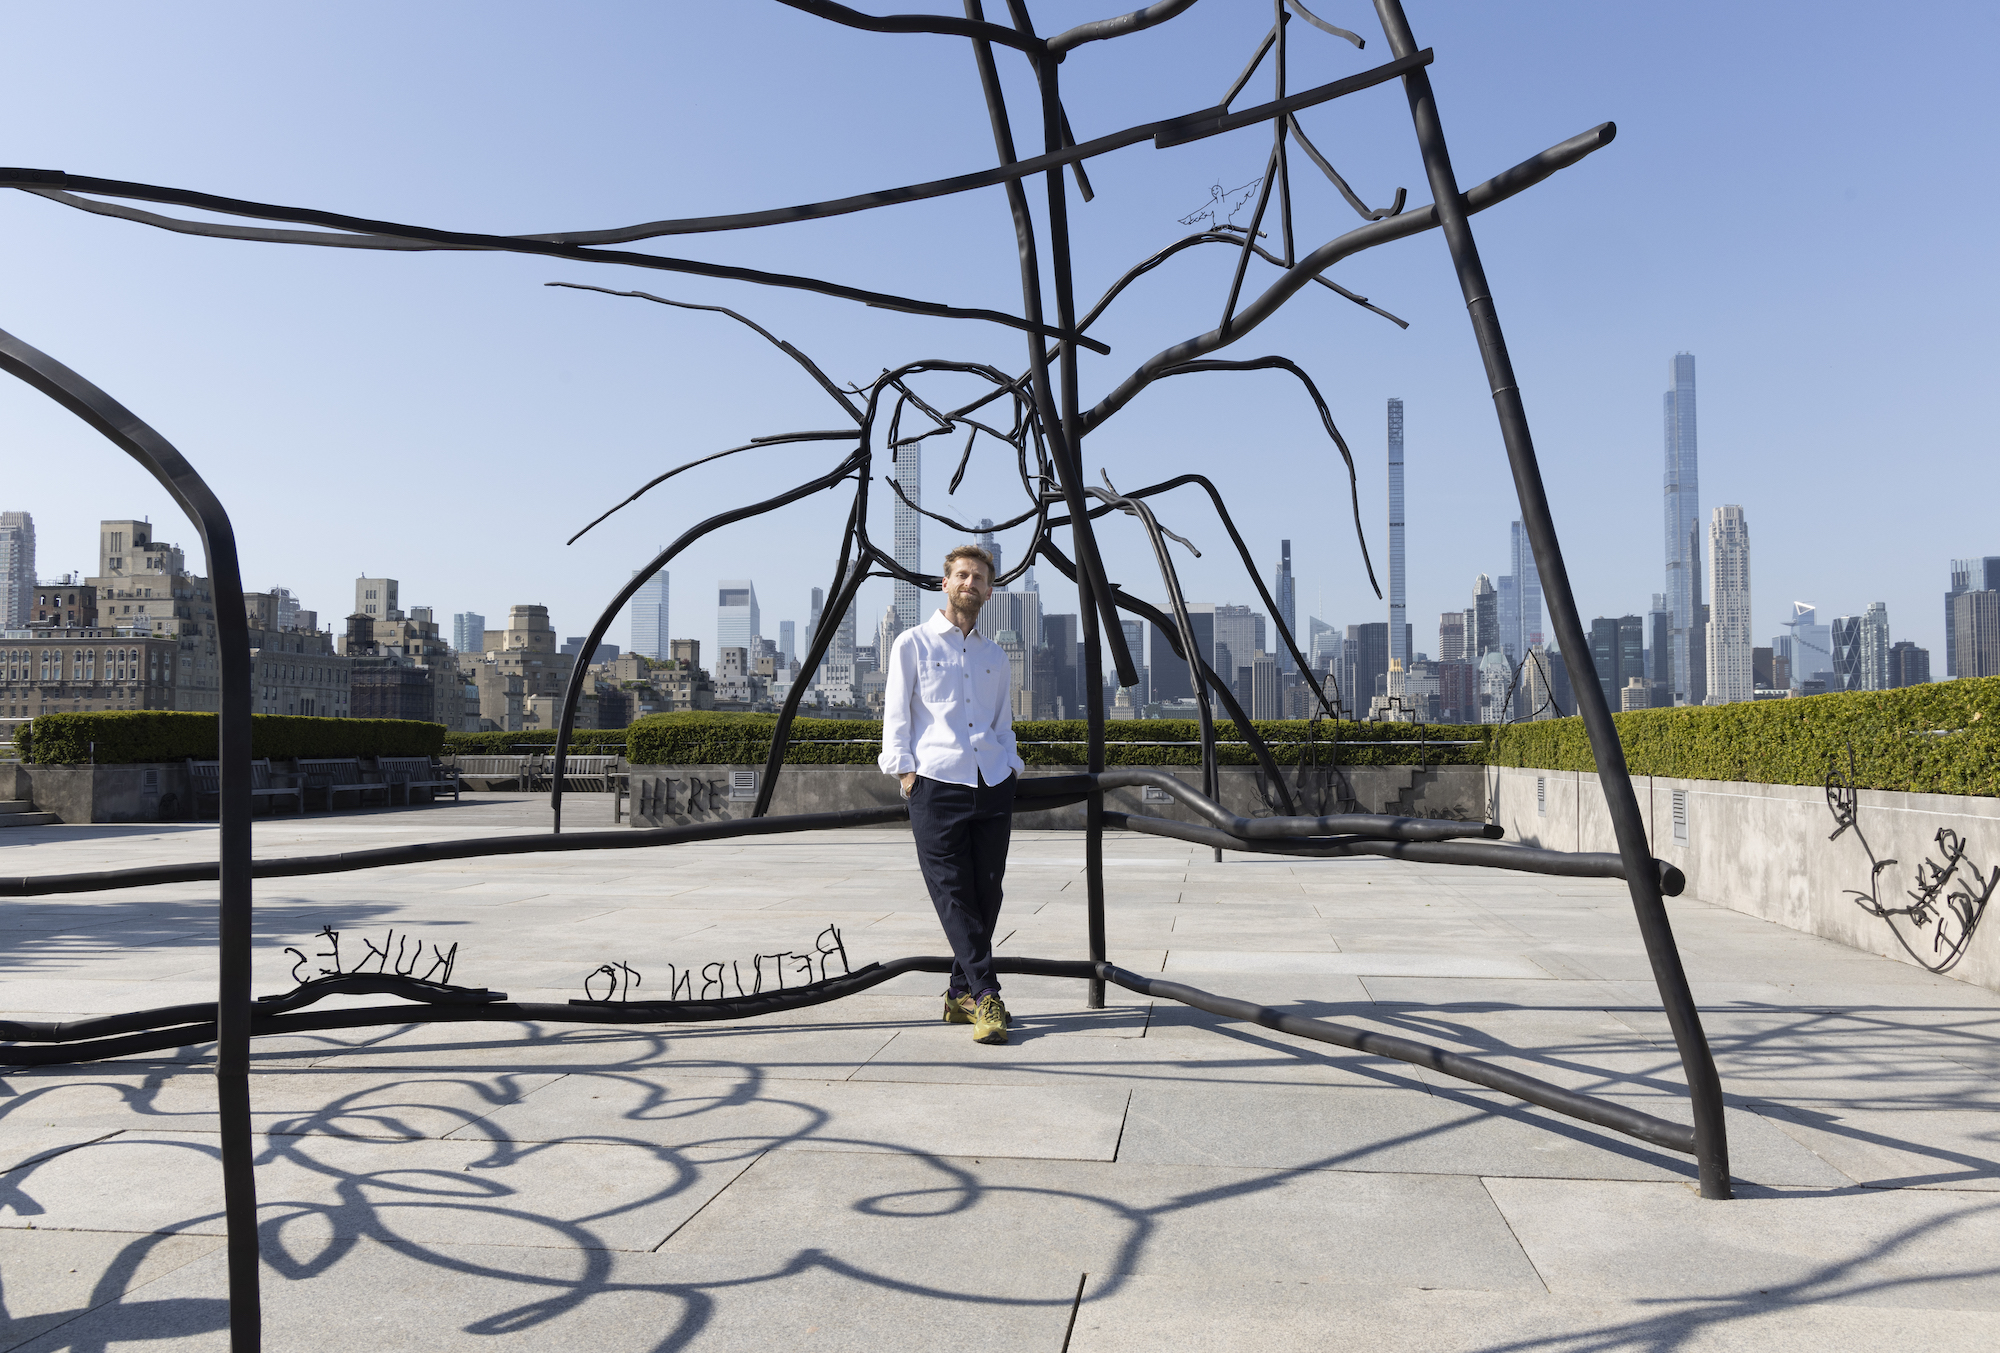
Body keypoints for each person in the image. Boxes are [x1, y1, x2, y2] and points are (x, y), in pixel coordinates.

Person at [878, 544, 1025, 1044]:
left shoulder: (995, 655)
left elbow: (1002, 722)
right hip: (935, 784)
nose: (970, 583)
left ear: (989, 590)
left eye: (979, 577)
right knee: (953, 895)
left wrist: (1012, 766)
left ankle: (958, 995)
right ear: (946, 583)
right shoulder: (912, 644)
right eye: (962, 575)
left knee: (987, 893)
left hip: (991, 782)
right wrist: (905, 774)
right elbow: (895, 718)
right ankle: (987, 997)